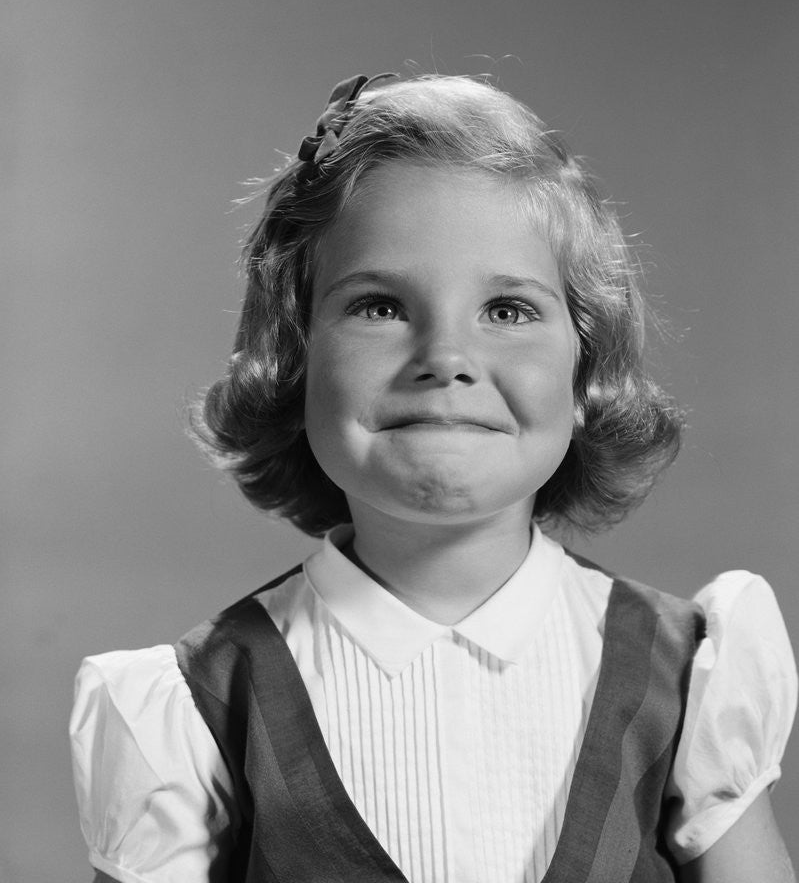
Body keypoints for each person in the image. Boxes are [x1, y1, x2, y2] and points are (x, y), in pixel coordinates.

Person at [70, 73, 797, 883]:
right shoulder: (197, 705)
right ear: (294, 361)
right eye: (379, 305)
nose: (446, 360)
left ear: (585, 371)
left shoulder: (688, 676)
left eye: (508, 310)